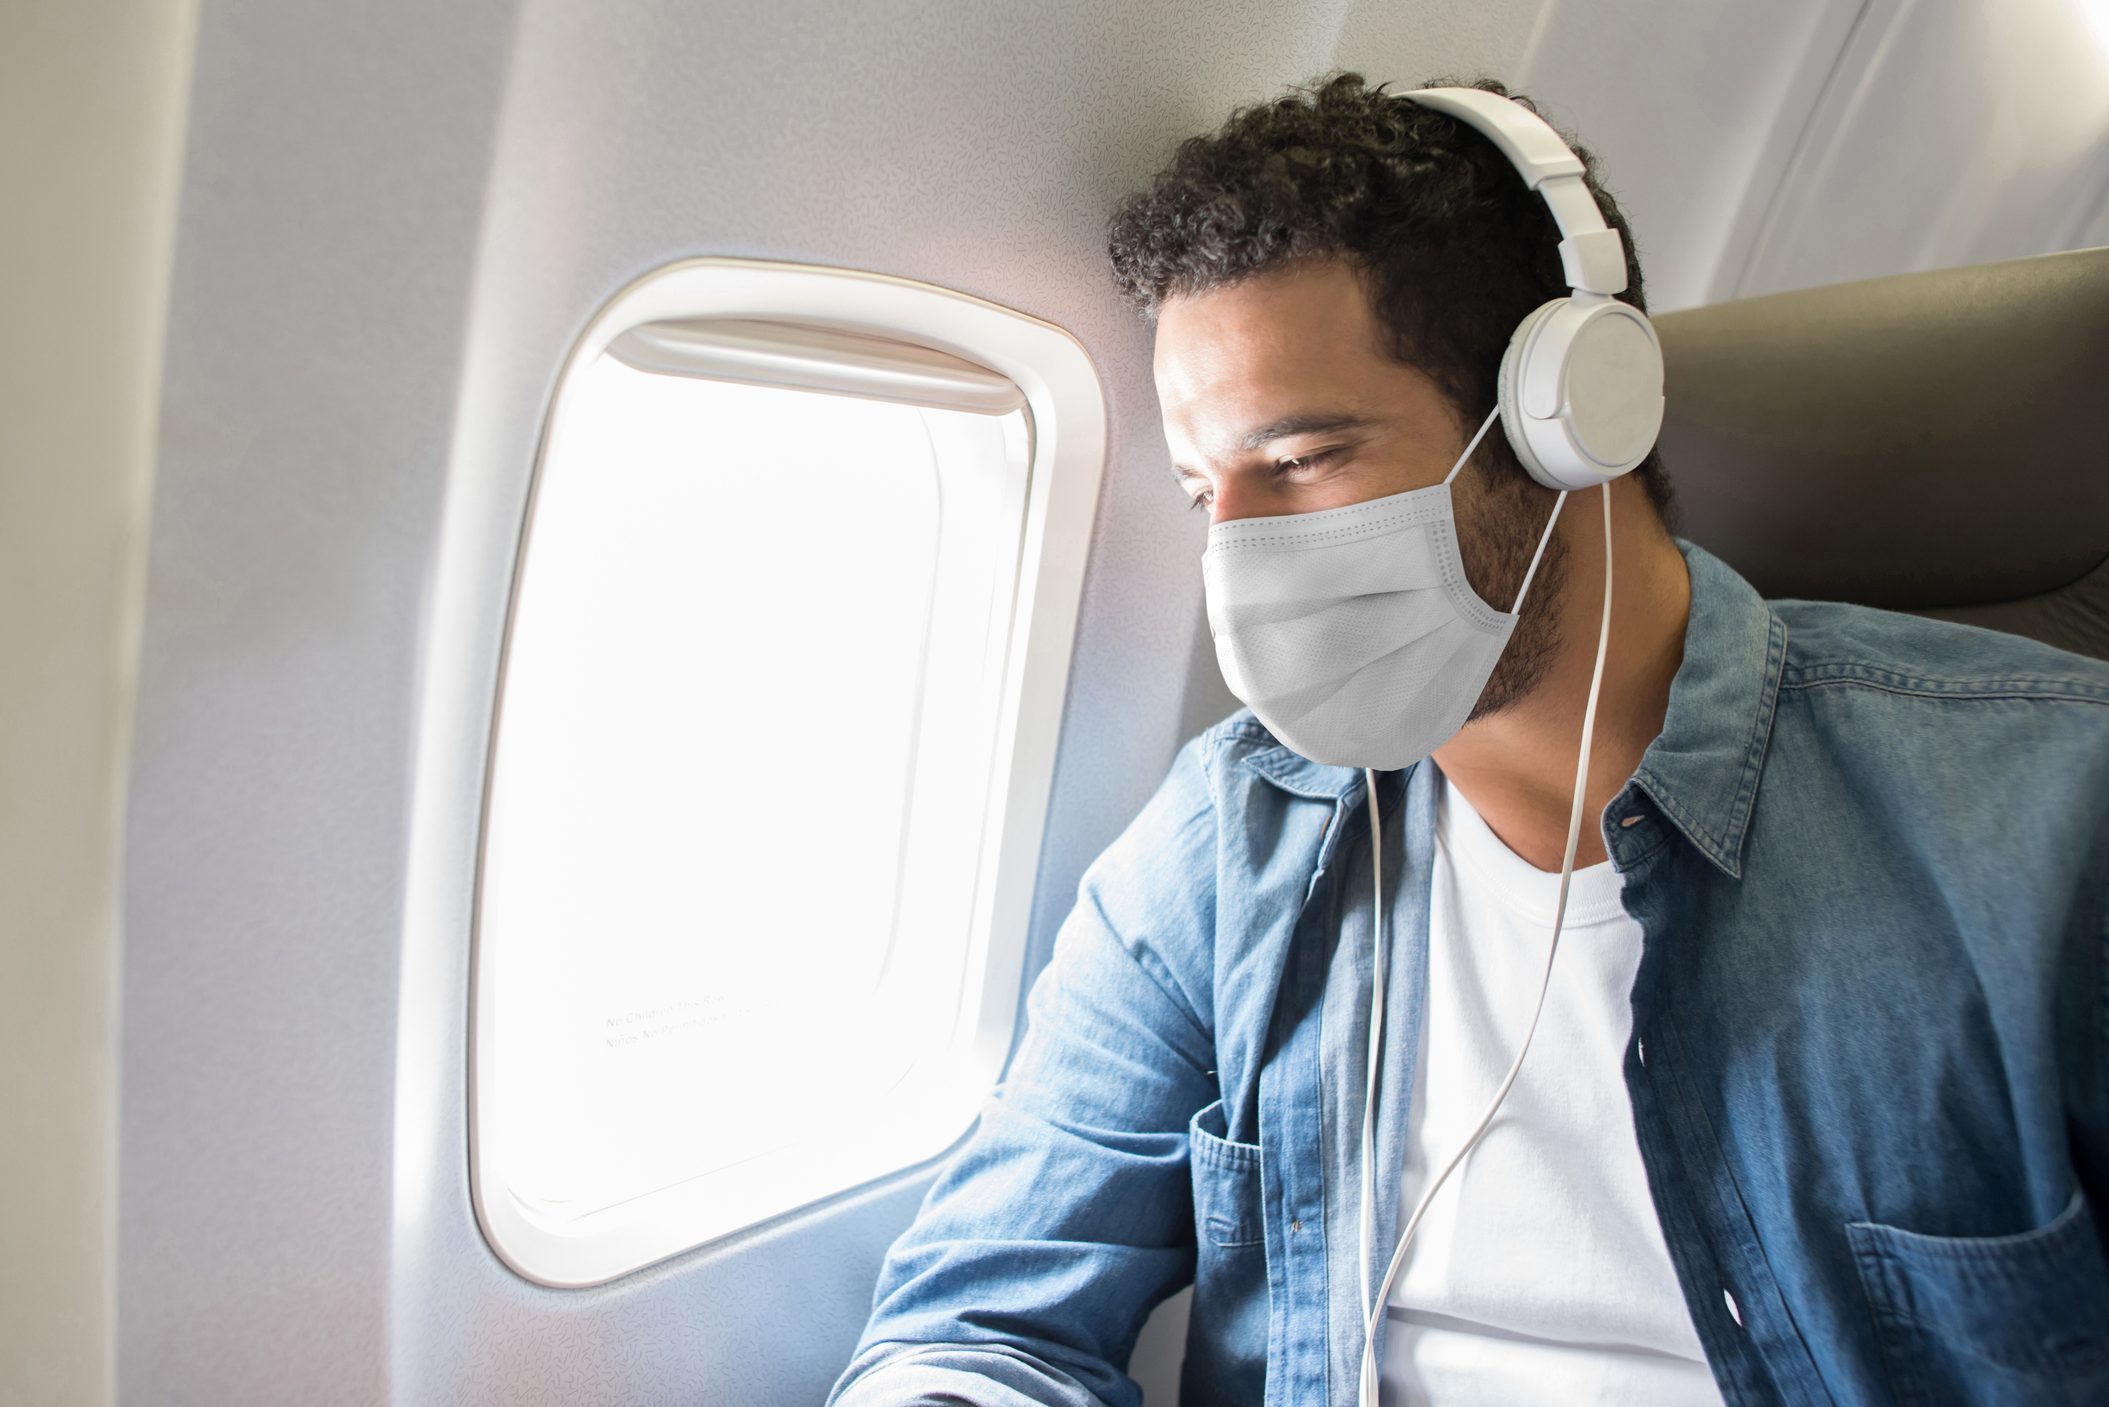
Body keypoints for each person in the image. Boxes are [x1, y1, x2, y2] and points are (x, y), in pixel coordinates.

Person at [829, 73, 2109, 1407]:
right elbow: (979, 1319)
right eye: (1208, 489)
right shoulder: (1231, 842)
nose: (1240, 557)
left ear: (1575, 416)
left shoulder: (2046, 821)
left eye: (1308, 459)